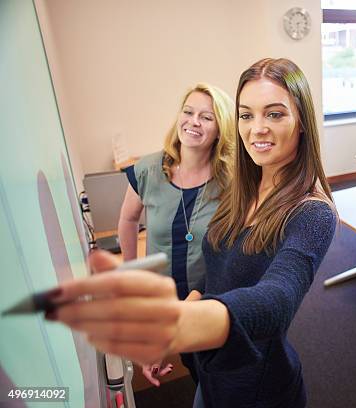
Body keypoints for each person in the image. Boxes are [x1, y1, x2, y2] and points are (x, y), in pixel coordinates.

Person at [50, 58, 337, 408]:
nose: (257, 128)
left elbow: (277, 299)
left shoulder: (313, 213)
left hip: (258, 387)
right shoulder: (241, 191)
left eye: (274, 114)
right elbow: (215, 277)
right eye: (246, 115)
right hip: (211, 370)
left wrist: (173, 328)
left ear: (302, 122)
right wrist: (184, 318)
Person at [117, 83, 234, 386]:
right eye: (188, 112)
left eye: (206, 117)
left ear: (220, 129)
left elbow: (230, 251)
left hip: (209, 297)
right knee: (193, 366)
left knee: (217, 369)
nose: (194, 121)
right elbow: (128, 220)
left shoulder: (231, 181)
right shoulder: (148, 169)